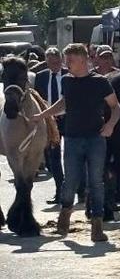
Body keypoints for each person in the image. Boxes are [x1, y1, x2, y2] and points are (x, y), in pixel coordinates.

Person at [32, 43, 120, 242]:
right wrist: (43, 115)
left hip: (96, 138)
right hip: (72, 138)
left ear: (82, 60)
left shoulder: (100, 82)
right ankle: (64, 218)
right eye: (66, 60)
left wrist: (111, 125)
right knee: (70, 180)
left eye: (69, 60)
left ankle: (97, 226)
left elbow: (115, 107)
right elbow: (63, 103)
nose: (66, 64)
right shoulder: (66, 81)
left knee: (96, 182)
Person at [35, 47, 67, 205]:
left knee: (73, 155)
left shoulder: (69, 75)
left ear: (61, 61)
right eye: (51, 62)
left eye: (57, 62)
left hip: (69, 119)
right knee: (53, 158)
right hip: (50, 122)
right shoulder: (40, 77)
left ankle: (81, 191)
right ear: (46, 62)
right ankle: (59, 191)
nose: (55, 65)